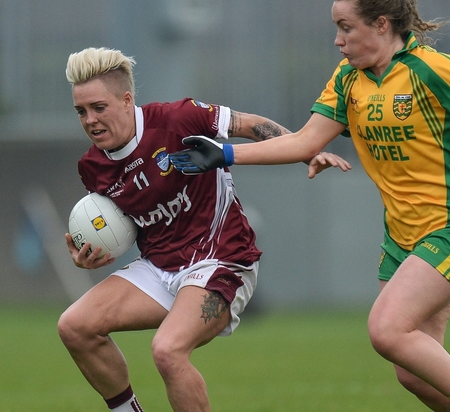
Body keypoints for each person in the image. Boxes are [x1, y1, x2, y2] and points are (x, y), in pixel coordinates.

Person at [169, 0, 450, 412]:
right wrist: (225, 153)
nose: (337, 40)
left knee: (387, 330)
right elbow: (304, 142)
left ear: (380, 25)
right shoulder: (348, 79)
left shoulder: (432, 68)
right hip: (402, 238)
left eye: (345, 27)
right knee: (413, 372)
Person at [56, 47, 349, 412]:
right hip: (160, 267)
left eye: (99, 107)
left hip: (223, 260)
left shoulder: (178, 118)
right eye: (81, 111)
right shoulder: (93, 167)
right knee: (74, 326)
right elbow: (118, 227)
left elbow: (249, 124)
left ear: (127, 100)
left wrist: (307, 149)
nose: (90, 120)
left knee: (168, 350)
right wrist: (93, 254)